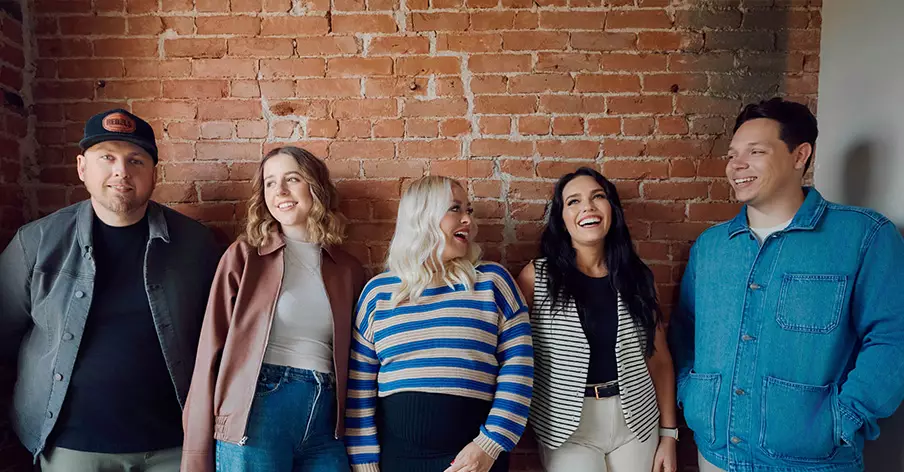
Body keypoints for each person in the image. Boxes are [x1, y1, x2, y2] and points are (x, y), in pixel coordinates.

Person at [670, 97, 904, 472]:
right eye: (732, 155)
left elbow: (893, 337)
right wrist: (691, 393)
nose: (736, 165)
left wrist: (845, 418)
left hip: (814, 462)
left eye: (755, 151)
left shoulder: (863, 236)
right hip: (716, 455)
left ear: (800, 155)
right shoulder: (711, 247)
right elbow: (685, 332)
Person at [0, 109, 222, 471]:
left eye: (136, 160)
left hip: (174, 445)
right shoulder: (36, 243)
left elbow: (216, 338)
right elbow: (5, 336)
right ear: (82, 168)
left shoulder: (195, 244)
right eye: (107, 157)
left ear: (154, 174)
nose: (122, 171)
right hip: (71, 446)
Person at [181, 146, 366, 472]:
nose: (279, 191)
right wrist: (196, 451)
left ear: (316, 187)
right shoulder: (245, 256)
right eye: (270, 182)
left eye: (292, 179)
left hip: (327, 417)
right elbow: (210, 349)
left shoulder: (347, 269)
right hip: (259, 410)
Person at [344, 176, 534, 472]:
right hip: (397, 461)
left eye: (469, 210)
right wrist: (364, 463)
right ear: (422, 216)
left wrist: (490, 445)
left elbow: (519, 369)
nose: (468, 220)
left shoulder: (493, 283)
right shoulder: (378, 293)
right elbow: (359, 388)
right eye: (455, 209)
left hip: (475, 461)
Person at [517, 168, 678, 472]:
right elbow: (514, 353)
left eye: (598, 197)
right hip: (566, 428)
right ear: (561, 219)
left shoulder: (638, 277)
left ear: (611, 210)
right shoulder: (537, 277)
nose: (588, 207)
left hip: (637, 421)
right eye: (573, 201)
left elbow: (659, 360)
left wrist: (669, 434)